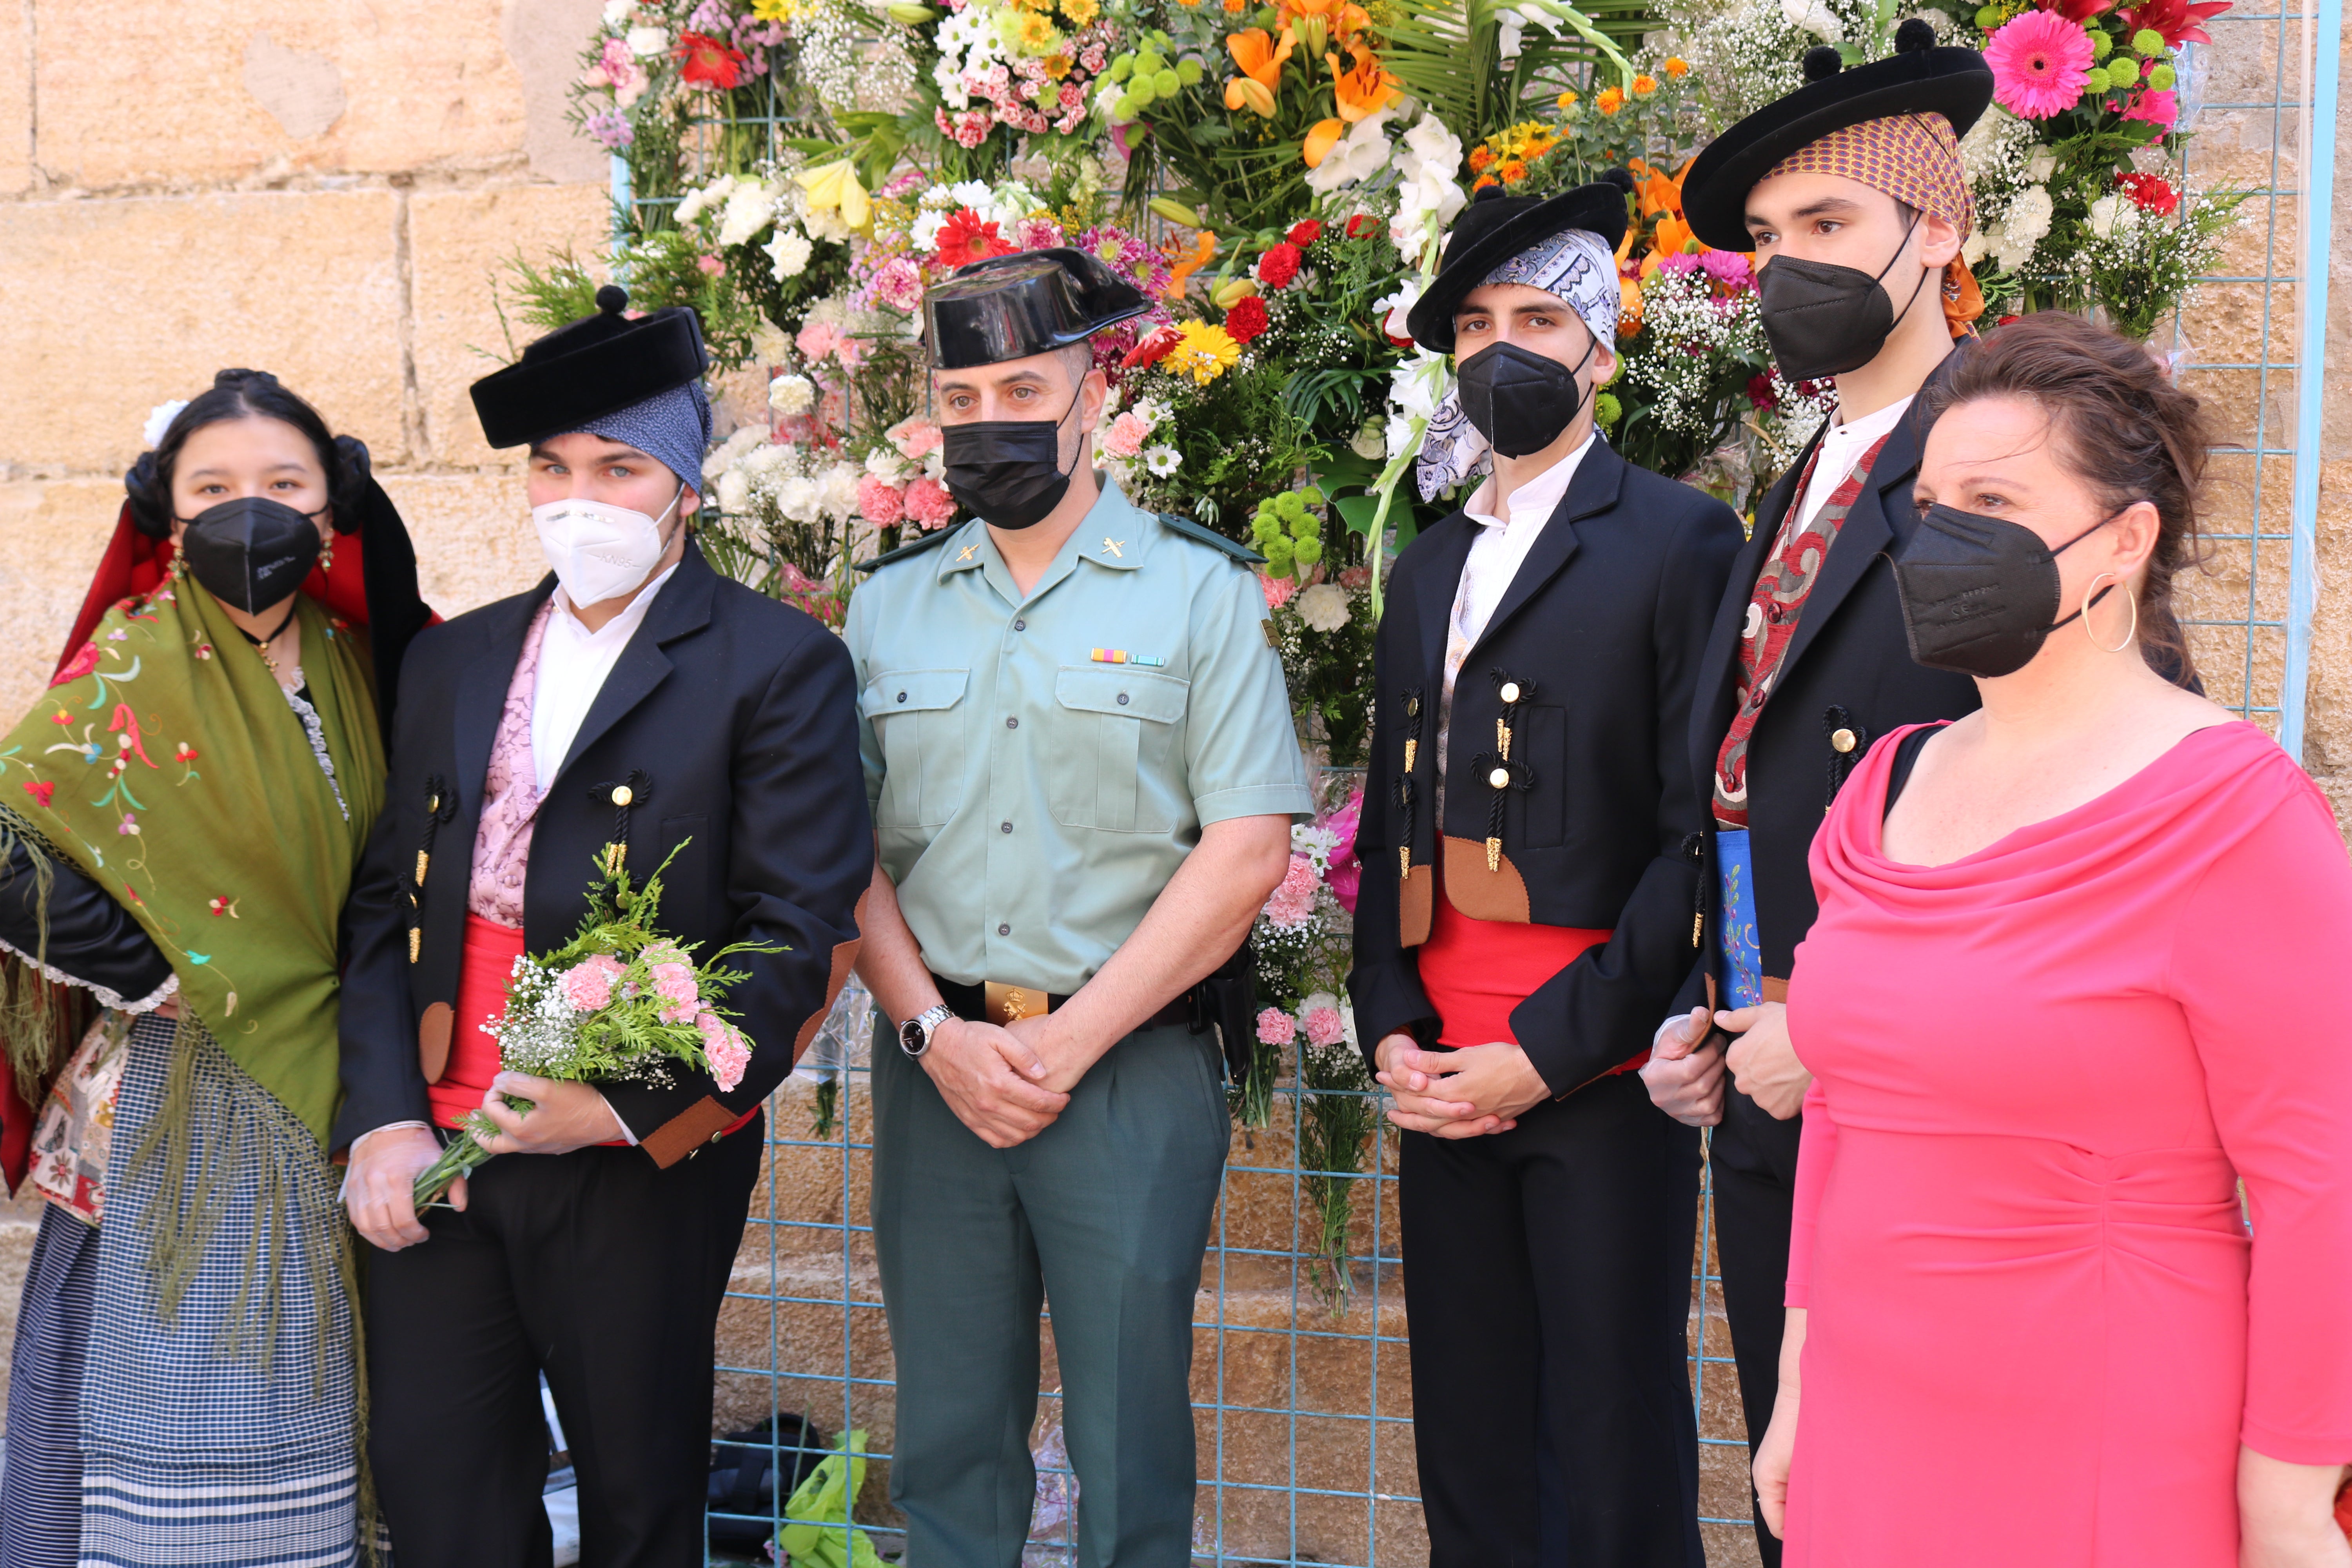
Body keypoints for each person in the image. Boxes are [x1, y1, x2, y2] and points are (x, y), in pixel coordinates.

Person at [1749, 310, 2352, 1564]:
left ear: (2125, 542)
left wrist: (2292, 1500)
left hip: (2106, 1433)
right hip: (1868, 1419)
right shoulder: (1883, 791)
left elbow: (2321, 1188)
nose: (1941, 532)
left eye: (1996, 499)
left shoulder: (2233, 815)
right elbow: (1844, 1116)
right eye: (1931, 499)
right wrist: (1801, 1385)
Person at [336, 286, 873, 1566]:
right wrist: (382, 1116)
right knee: (437, 1488)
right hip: (440, 1128)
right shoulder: (450, 659)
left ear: (685, 486)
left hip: (634, 1154)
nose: (580, 497)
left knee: (638, 1499)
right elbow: (380, 909)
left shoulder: (776, 664)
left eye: (620, 467)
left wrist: (623, 1101)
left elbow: (795, 931)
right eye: (554, 467)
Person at [846, 247, 1308, 1568]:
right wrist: (936, 1035)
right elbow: (847, 854)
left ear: (1091, 397)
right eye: (964, 394)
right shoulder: (887, 609)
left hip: (1124, 1070)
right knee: (944, 1434)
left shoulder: (1198, 592)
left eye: (1024, 388)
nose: (992, 421)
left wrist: (1070, 1041)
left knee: (1130, 1444)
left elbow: (1245, 849)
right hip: (939, 1069)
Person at [1346, 177, 1744, 1566]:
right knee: (1466, 1428)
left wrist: (1552, 1053)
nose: (1501, 346)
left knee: (1610, 1424)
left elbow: (1696, 833)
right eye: (1474, 322)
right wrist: (1390, 1024)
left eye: (1536, 316)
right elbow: (1390, 815)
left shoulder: (1678, 538)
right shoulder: (1427, 563)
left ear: (1601, 349)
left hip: (1593, 1060)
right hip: (1438, 1068)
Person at [1639, 25, 1994, 1559]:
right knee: (1800, 1497)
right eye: (1772, 242)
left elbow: (2068, 811)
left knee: (1914, 1494)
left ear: (1945, 232)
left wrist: (1834, 1019)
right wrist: (1704, 1005)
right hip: (1770, 1068)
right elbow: (1743, 784)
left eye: (1830, 228)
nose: (1792, 269)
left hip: (1926, 1088)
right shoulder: (1806, 468)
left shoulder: (2010, 460)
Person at [0, 370, 432, 1568]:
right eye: (217, 488)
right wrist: (147, 964)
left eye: (284, 484)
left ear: (331, 513)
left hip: (351, 1080)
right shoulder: (137, 664)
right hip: (191, 1101)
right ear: (171, 518)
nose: (255, 510)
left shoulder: (361, 663)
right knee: (194, 1388)